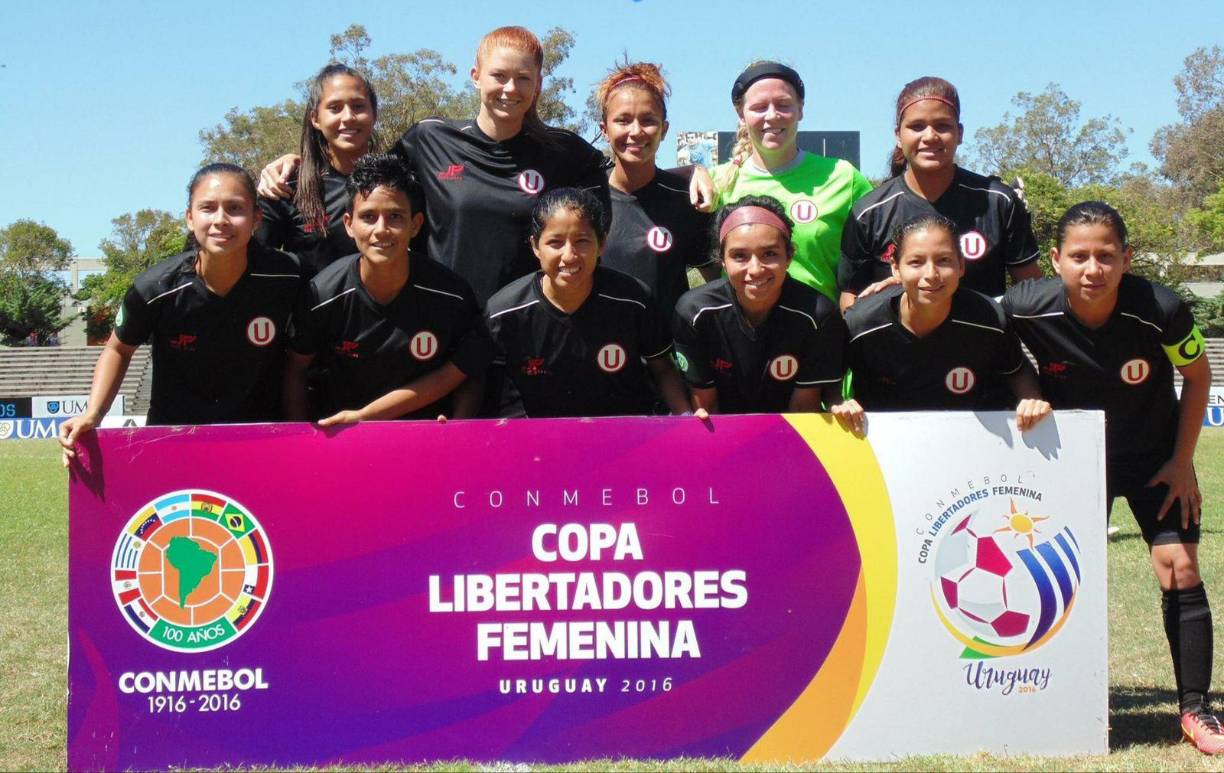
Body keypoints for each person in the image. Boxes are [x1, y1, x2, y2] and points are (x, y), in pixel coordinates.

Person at [1002, 201, 1221, 754]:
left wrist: (1182, 461)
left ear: (1127, 258)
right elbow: (974, 325)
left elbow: (1198, 376)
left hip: (1155, 459)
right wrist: (1028, 391)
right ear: (1055, 261)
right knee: (1059, 578)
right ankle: (1061, 701)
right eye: (1079, 256)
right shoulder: (1028, 305)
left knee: (1180, 567)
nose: (1092, 268)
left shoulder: (1161, 308)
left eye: (1106, 255)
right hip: (1076, 462)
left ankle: (1196, 709)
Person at [262, 26, 609, 305]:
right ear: (476, 76)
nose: (509, 88)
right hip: (443, 321)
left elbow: (606, 200)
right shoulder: (430, 139)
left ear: (538, 85)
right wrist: (300, 162)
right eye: (498, 75)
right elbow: (368, 178)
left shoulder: (565, 152)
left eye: (522, 78)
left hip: (522, 326)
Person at [59, 164, 303, 464]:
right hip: (173, 441)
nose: (221, 220)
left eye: (235, 208)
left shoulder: (288, 277)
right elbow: (118, 349)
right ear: (190, 218)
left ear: (256, 219)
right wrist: (94, 413)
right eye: (208, 208)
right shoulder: (154, 288)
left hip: (261, 439)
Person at [284, 154, 492, 424]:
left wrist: (458, 426)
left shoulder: (451, 295)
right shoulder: (322, 295)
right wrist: (304, 441)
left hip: (425, 436)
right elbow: (296, 369)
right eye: (368, 217)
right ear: (349, 224)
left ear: (415, 225)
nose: (381, 230)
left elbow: (465, 372)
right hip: (344, 436)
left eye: (395, 216)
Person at [838, 76, 1042, 311]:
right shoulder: (869, 213)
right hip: (898, 346)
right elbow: (849, 297)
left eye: (942, 125)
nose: (930, 136)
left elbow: (1032, 291)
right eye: (917, 126)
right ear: (898, 135)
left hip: (983, 344)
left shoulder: (998, 202)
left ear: (960, 133)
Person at [833, 214, 1049, 434]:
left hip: (970, 442)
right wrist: (839, 400)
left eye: (943, 260)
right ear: (895, 268)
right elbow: (829, 380)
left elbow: (1017, 370)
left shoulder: (989, 320)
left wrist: (1032, 401)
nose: (931, 275)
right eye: (916, 262)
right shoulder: (861, 324)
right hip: (883, 448)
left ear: (961, 265)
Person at [484, 187, 689, 418]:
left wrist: (685, 418)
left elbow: (663, 369)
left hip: (622, 434)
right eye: (555, 242)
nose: (569, 255)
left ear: (601, 243)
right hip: (537, 440)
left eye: (581, 241)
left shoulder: (634, 300)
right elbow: (486, 385)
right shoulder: (503, 312)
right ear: (535, 246)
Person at [690, 61, 872, 302]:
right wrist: (694, 169)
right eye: (759, 107)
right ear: (741, 114)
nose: (772, 115)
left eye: (783, 105)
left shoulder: (843, 178)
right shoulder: (716, 183)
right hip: (740, 334)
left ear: (801, 109)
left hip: (821, 332)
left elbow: (880, 252)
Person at [673, 196, 844, 413]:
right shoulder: (694, 313)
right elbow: (706, 406)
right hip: (724, 434)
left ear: (789, 255)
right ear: (722, 260)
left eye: (769, 254)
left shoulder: (818, 315)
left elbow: (803, 409)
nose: (755, 269)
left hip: (789, 433)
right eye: (740, 256)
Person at [596, 61, 719, 322]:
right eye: (623, 120)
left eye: (648, 120)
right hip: (597, 353)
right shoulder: (586, 197)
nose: (636, 131)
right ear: (604, 130)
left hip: (669, 356)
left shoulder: (686, 200)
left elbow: (717, 283)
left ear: (664, 130)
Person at [255, 63, 377, 277]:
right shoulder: (286, 187)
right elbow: (256, 265)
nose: (348, 117)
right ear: (315, 119)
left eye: (358, 106)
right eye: (335, 108)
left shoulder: (395, 181)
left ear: (373, 114)